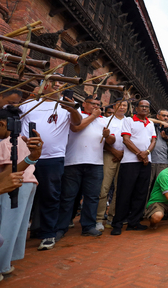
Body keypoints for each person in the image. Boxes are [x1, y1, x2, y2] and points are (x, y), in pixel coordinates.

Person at [19, 80, 82, 250]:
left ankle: (48, 234)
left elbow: (77, 122)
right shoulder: (28, 104)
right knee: (21, 194)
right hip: (26, 157)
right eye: (54, 82)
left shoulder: (67, 105)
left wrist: (72, 109)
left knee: (50, 195)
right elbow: (17, 124)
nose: (59, 85)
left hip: (52, 158)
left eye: (62, 82)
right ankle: (18, 234)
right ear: (44, 85)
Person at [0, 106, 43, 280]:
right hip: (28, 183)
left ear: (3, 124)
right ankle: (7, 261)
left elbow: (7, 174)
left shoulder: (5, 144)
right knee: (16, 226)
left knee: (4, 225)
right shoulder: (24, 141)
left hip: (14, 185)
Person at [56, 95, 114, 240]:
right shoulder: (77, 115)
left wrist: (107, 136)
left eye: (98, 104)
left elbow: (112, 140)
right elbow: (77, 128)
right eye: (93, 103)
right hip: (73, 162)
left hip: (96, 163)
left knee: (92, 196)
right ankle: (61, 227)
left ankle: (88, 226)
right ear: (84, 104)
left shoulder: (104, 120)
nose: (96, 106)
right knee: (68, 197)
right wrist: (94, 116)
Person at [110, 99, 157, 236]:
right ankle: (117, 223)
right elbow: (126, 139)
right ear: (136, 108)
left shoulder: (150, 123)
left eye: (147, 107)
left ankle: (134, 222)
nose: (144, 108)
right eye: (141, 106)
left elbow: (153, 140)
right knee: (124, 193)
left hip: (146, 162)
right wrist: (139, 153)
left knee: (141, 193)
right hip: (130, 162)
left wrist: (146, 153)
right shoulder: (129, 120)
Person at [96, 99, 127, 231]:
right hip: (109, 155)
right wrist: (114, 152)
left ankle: (112, 217)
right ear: (114, 106)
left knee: (118, 188)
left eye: (125, 105)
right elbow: (103, 140)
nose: (122, 107)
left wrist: (121, 154)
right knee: (104, 187)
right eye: (120, 105)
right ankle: (98, 218)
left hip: (125, 157)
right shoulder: (106, 120)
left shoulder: (129, 121)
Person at [146, 109, 168, 202]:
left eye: (167, 116)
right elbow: (147, 118)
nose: (166, 118)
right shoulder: (152, 125)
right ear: (158, 116)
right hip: (150, 160)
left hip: (163, 161)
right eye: (163, 115)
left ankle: (156, 206)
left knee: (160, 187)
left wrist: (166, 138)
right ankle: (143, 209)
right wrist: (161, 123)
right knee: (147, 185)